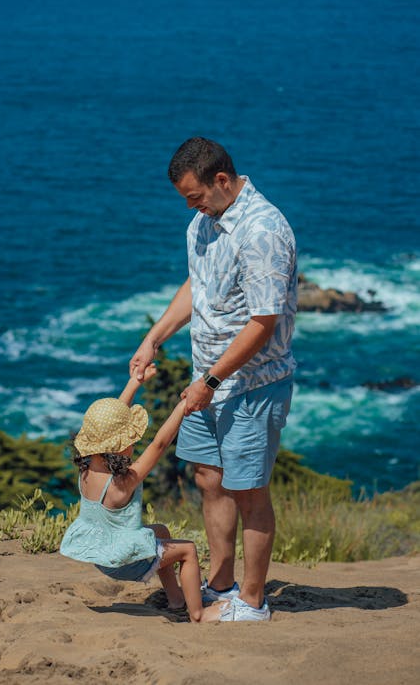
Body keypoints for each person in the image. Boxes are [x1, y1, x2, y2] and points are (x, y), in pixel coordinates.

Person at [130, 137, 297, 622]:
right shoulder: (204, 222)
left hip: (250, 384)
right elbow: (198, 286)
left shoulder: (264, 230)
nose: (190, 205)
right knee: (209, 479)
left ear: (221, 180)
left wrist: (210, 380)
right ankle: (220, 583)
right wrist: (154, 337)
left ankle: (251, 600)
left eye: (194, 195)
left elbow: (263, 322)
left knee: (250, 492)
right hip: (207, 380)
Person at [60, 365, 223, 623]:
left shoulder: (87, 465)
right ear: (119, 446)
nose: (134, 444)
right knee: (188, 551)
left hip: (100, 553)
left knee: (160, 532)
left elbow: (109, 423)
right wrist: (182, 408)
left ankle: (176, 599)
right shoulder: (123, 483)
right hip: (125, 561)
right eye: (131, 440)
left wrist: (135, 382)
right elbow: (159, 444)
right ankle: (198, 613)